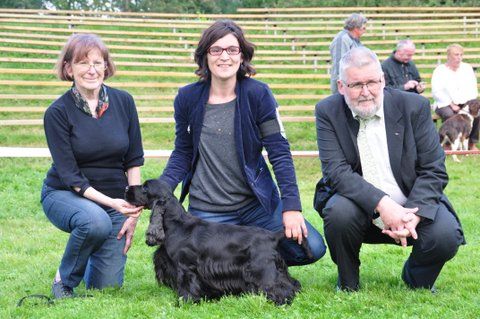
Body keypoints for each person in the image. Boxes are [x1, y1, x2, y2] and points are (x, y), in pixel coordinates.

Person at [160, 19, 326, 266]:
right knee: (201, 264)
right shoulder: (187, 97)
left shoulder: (258, 95)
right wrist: (161, 189)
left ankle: (241, 262)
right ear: (205, 56)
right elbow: (183, 152)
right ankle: (241, 263)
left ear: (242, 56)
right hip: (209, 212)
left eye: (232, 50)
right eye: (216, 50)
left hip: (256, 207)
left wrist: (291, 208)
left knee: (311, 247)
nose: (224, 57)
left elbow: (279, 152)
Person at [315, 46, 465, 292]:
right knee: (338, 213)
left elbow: (433, 168)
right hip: (359, 207)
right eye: (356, 85)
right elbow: (336, 172)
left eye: (373, 82)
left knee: (446, 234)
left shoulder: (414, 106)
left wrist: (412, 215)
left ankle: (417, 280)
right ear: (341, 86)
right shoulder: (327, 111)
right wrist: (384, 205)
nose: (366, 92)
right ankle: (348, 281)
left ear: (383, 80)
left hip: (411, 200)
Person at [41, 33, 144, 299]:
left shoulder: (124, 102)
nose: (92, 70)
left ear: (107, 67)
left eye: (98, 63)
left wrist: (132, 211)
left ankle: (87, 250)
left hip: (115, 201)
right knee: (94, 221)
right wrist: (112, 204)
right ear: (68, 68)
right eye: (83, 63)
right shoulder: (57, 112)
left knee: (106, 288)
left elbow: (133, 159)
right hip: (65, 194)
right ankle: (62, 282)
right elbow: (71, 176)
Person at [432, 44, 479, 150]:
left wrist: (467, 106)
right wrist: (451, 104)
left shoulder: (467, 68)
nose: (459, 57)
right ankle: (448, 143)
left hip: (465, 102)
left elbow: (472, 88)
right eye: (456, 55)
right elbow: (436, 91)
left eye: (461, 55)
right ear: (448, 56)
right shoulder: (440, 70)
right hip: (444, 103)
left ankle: (471, 143)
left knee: (476, 113)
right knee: (450, 114)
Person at [329, 13, 367, 94]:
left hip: (353, 83)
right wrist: (341, 90)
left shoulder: (354, 40)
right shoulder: (342, 39)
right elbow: (339, 66)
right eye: (363, 28)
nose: (365, 30)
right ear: (356, 28)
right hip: (344, 87)